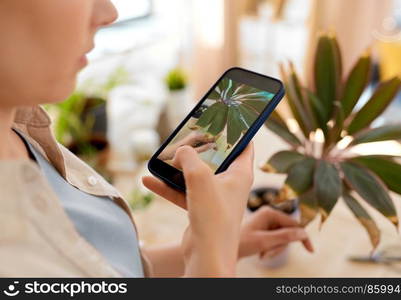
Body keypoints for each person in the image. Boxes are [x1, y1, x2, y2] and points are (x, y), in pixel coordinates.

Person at [0, 0, 313, 277]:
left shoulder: (21, 131)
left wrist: (227, 242)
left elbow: (105, 270)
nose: (109, 12)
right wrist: (213, 259)